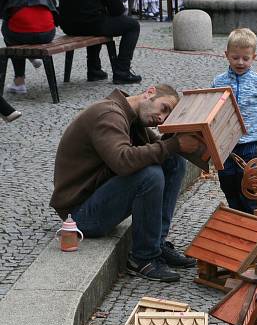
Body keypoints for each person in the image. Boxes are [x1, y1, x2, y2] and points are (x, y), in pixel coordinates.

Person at [50, 85, 200, 282]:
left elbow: (158, 150)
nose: (161, 119)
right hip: (78, 218)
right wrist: (174, 144)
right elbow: (122, 161)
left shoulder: (131, 116)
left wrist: (177, 138)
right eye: (163, 108)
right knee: (150, 175)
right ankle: (143, 258)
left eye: (167, 117)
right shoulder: (108, 114)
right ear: (150, 92)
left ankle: (157, 243)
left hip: (98, 197)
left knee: (173, 161)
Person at [211, 28, 257, 214]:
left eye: (245, 58)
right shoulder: (219, 81)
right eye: (235, 57)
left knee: (246, 178)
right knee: (227, 176)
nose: (240, 62)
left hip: (250, 140)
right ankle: (235, 210)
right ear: (226, 55)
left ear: (253, 57)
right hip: (226, 141)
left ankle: (251, 212)